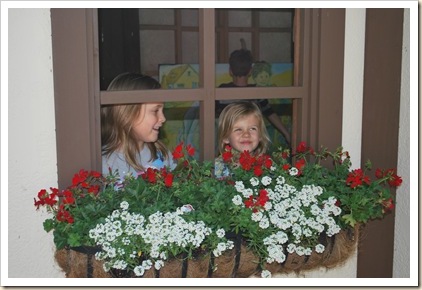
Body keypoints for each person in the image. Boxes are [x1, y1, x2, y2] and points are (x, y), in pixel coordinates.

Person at [101, 72, 175, 179]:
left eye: (163, 110)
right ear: (127, 114)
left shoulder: (163, 155)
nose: (163, 118)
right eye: (155, 111)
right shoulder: (104, 164)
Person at [217, 49, 291, 146]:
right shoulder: (257, 92)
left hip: (229, 145)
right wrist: (286, 134)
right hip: (252, 145)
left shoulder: (221, 91)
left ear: (230, 71)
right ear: (250, 71)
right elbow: (270, 112)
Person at [214, 101, 271, 178]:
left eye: (252, 129)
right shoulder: (220, 165)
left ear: (260, 135)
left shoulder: (267, 164)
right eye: (238, 130)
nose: (246, 134)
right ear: (225, 137)